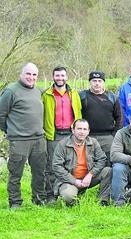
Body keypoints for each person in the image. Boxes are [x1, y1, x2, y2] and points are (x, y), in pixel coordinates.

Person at [0, 63, 48, 208]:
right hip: (19, 140)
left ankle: (39, 199)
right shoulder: (11, 91)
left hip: (39, 139)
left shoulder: (37, 91)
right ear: (21, 74)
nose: (31, 77)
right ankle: (15, 202)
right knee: (16, 173)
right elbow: (1, 115)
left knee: (40, 172)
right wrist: (11, 131)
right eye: (28, 74)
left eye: (34, 75)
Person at [42, 66, 82, 203]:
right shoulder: (46, 94)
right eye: (57, 76)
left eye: (62, 75)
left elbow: (79, 112)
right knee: (52, 165)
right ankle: (50, 195)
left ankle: (70, 192)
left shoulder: (74, 94)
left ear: (67, 77)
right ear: (53, 77)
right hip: (54, 134)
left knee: (71, 164)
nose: (60, 78)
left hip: (71, 134)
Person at [52, 119, 111, 206]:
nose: (82, 132)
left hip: (87, 179)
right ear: (73, 130)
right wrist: (74, 181)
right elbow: (57, 167)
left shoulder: (93, 142)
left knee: (108, 171)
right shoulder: (62, 144)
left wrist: (90, 174)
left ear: (88, 131)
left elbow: (102, 159)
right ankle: (75, 198)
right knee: (68, 197)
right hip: (70, 180)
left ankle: (103, 200)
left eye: (84, 129)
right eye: (79, 129)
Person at [80, 71, 123, 168]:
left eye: (99, 81)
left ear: (103, 82)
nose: (97, 83)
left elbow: (119, 118)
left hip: (107, 137)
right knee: (89, 163)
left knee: (108, 164)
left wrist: (114, 135)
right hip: (88, 136)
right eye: (94, 81)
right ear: (90, 82)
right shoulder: (82, 96)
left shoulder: (112, 97)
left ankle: (107, 183)